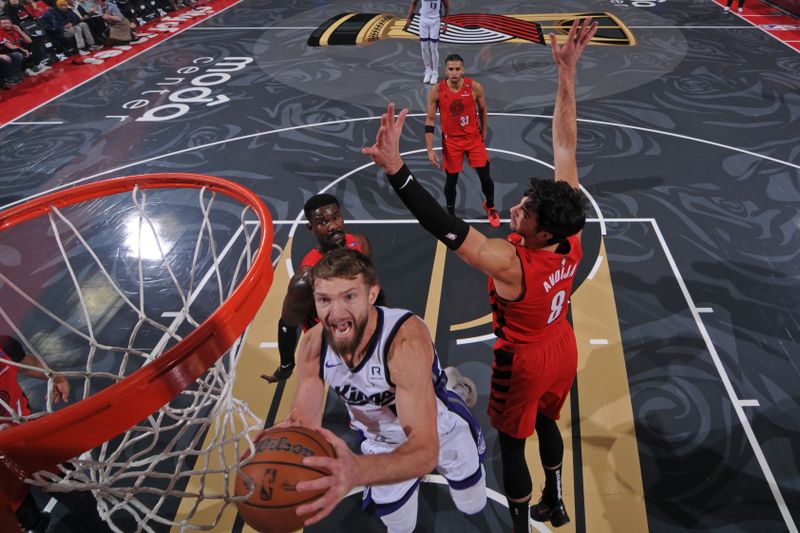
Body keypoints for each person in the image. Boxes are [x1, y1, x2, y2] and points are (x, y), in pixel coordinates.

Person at [363, 18, 598, 532]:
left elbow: (446, 228)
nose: (517, 207)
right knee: (548, 420)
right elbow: (565, 148)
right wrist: (566, 75)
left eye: (525, 212)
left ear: (539, 233)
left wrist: (397, 171)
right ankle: (555, 500)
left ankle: (519, 528)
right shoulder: (571, 235)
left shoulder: (512, 264)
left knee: (512, 444)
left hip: (528, 358)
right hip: (563, 344)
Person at [255, 248, 485, 532]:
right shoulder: (314, 345)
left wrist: (357, 470)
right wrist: (276, 445)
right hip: (379, 440)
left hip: (437, 429)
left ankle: (450, 389)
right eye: (324, 300)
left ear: (372, 295)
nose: (336, 314)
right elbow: (305, 422)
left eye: (349, 296)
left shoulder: (403, 344)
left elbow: (426, 451)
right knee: (399, 526)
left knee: (472, 502)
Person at [261, 193, 374, 383]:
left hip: (363, 331)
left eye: (336, 218)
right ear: (310, 227)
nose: (333, 227)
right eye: (322, 222)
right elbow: (287, 325)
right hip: (334, 347)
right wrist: (286, 367)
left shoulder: (360, 244)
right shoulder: (306, 279)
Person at [0, 334, 70, 533]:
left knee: (70, 484)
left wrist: (55, 376)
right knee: (26, 515)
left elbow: (24, 362)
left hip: (28, 434)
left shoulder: (4, 345)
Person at [425, 53, 500, 227]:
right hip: (451, 142)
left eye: (458, 69)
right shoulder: (437, 91)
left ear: (463, 69)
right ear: (445, 70)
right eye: (451, 69)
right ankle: (450, 213)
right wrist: (430, 149)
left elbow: (483, 109)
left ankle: (490, 206)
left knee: (485, 177)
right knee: (451, 181)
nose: (454, 73)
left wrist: (484, 130)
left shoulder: (475, 88)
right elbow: (429, 120)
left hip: (473, 139)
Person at [404, 0, 448, 85]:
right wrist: (409, 17)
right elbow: (414, 3)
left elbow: (447, 7)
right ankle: (428, 70)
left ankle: (435, 72)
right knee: (423, 46)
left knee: (433, 47)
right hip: (423, 20)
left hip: (435, 21)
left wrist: (445, 23)